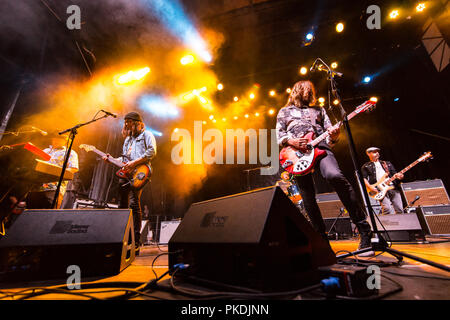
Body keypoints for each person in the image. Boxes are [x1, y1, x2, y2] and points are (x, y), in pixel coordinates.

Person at [276, 80, 373, 254]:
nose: (308, 92)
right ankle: (321, 241)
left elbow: (330, 135)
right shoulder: (284, 112)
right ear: (296, 91)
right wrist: (292, 141)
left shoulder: (319, 110)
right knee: (308, 197)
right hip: (296, 156)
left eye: (310, 90)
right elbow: (279, 135)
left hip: (321, 149)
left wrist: (335, 136)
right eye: (305, 89)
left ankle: (364, 230)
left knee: (334, 176)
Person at [103, 111, 156, 254]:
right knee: (122, 206)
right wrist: (112, 159)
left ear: (138, 123)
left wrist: (134, 163)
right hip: (126, 175)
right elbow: (124, 159)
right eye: (126, 124)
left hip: (139, 173)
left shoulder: (147, 135)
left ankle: (135, 242)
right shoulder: (127, 140)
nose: (128, 126)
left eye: (131, 123)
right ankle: (122, 240)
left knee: (134, 204)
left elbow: (151, 152)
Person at [27, 133, 79, 209]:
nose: (56, 141)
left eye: (59, 139)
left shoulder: (70, 152)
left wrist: (55, 172)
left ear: (65, 141)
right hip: (36, 186)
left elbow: (73, 169)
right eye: (54, 138)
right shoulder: (45, 150)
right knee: (30, 210)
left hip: (53, 187)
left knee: (48, 212)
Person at [361, 147, 404, 215]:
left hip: (392, 187)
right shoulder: (366, 166)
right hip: (380, 189)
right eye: (374, 152)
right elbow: (364, 178)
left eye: (377, 151)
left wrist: (400, 176)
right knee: (387, 209)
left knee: (399, 209)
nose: (377, 153)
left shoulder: (387, 163)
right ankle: (388, 225)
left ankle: (403, 224)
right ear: (368, 154)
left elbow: (395, 173)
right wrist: (370, 187)